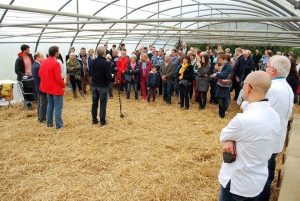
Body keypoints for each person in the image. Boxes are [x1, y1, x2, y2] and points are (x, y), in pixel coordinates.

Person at [218, 71, 281, 201]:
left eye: (244, 84)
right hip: (257, 181)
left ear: (248, 87)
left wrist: (229, 140)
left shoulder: (243, 120)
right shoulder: (274, 116)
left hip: (237, 183)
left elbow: (224, 135)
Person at [258, 55, 294, 201]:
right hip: (275, 138)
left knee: (262, 175)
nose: (265, 69)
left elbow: (261, 114)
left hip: (266, 139)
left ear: (272, 70)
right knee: (268, 171)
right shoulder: (287, 88)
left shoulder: (272, 89)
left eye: (266, 67)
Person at [39, 46, 65, 129]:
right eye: (58, 52)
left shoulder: (43, 62)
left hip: (47, 88)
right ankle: (59, 125)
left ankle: (49, 123)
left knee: (50, 106)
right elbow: (58, 78)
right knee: (58, 107)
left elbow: (39, 74)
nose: (58, 53)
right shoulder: (56, 63)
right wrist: (63, 85)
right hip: (56, 89)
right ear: (56, 53)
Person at [89, 46, 112, 127]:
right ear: (103, 53)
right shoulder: (106, 63)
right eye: (105, 52)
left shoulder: (92, 61)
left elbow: (90, 73)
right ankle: (102, 122)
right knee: (102, 104)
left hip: (94, 85)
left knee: (94, 104)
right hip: (103, 86)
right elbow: (108, 76)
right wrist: (111, 77)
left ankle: (94, 120)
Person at [212, 54, 232, 118]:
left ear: (224, 60)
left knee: (222, 100)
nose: (219, 62)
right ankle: (220, 114)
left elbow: (224, 75)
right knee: (220, 99)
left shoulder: (228, 66)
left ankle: (222, 115)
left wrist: (216, 74)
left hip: (224, 85)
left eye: (220, 60)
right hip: (221, 84)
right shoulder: (225, 65)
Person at [31, 52, 46, 123]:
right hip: (41, 87)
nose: (43, 58)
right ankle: (42, 118)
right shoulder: (38, 66)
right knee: (43, 103)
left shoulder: (34, 65)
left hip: (37, 87)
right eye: (42, 57)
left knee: (40, 103)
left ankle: (40, 117)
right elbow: (42, 77)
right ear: (38, 57)